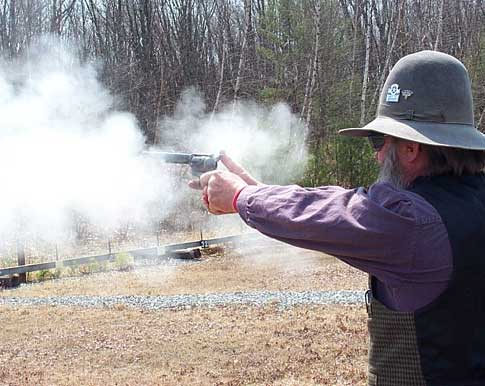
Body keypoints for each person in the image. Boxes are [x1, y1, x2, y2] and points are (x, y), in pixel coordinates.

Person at [190, 50, 485, 385]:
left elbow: (326, 212)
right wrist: (258, 192)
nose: (376, 155)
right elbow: (322, 213)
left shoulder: (411, 220)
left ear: (411, 148)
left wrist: (241, 197)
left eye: (378, 140)